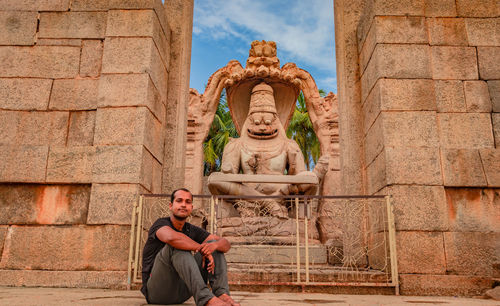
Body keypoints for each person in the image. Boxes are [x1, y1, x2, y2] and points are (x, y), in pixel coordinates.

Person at [141, 188, 239, 306]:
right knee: (177, 245)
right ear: (171, 206)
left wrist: (213, 246)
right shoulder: (161, 224)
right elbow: (171, 238)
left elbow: (226, 244)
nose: (183, 205)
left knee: (213, 245)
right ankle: (206, 299)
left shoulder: (191, 229)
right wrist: (202, 249)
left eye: (188, 202)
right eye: (179, 201)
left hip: (183, 292)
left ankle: (222, 294)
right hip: (157, 292)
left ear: (191, 208)